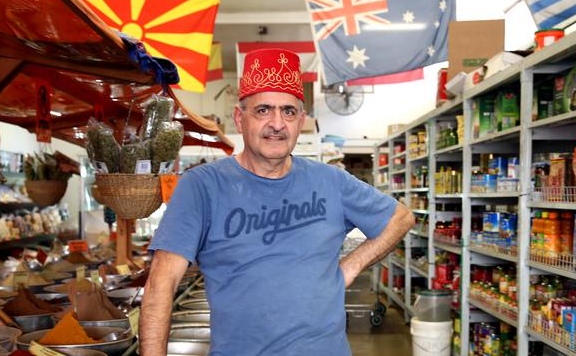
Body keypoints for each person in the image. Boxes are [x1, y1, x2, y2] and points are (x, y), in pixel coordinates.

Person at [140, 48, 415, 355]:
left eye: (288, 111)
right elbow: (161, 285)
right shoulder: (202, 186)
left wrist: (350, 267)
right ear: (239, 117)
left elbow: (401, 218)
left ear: (300, 120)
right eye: (262, 110)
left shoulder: (331, 181)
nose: (277, 123)